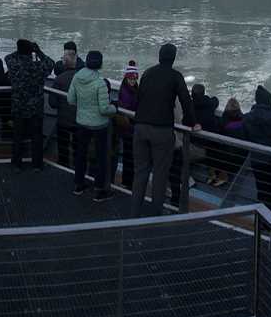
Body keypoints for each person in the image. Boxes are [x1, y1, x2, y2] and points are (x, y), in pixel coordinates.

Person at [130, 43, 192, 216]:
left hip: (140, 127)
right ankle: (156, 213)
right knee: (160, 173)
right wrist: (191, 122)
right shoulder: (175, 76)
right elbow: (186, 101)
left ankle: (134, 212)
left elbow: (139, 97)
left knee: (140, 172)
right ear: (173, 58)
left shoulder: (148, 73)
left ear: (159, 56)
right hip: (162, 131)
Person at [67, 50, 116, 200]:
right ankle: (100, 190)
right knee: (101, 157)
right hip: (99, 126)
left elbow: (70, 100)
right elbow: (104, 109)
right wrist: (114, 108)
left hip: (82, 123)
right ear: (100, 64)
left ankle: (78, 185)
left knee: (81, 154)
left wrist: (83, 107)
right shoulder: (100, 83)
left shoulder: (77, 77)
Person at [5, 39, 55, 169]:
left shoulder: (14, 64)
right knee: (36, 137)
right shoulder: (38, 67)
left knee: (17, 137)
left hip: (18, 106)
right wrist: (38, 51)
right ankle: (37, 164)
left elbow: (7, 57)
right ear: (31, 51)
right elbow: (51, 63)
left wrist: (20, 50)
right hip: (35, 108)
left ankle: (17, 163)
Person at [52, 42, 82, 166]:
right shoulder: (82, 76)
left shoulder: (59, 78)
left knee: (63, 144)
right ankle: (77, 166)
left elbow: (52, 102)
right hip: (79, 118)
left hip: (63, 118)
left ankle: (63, 165)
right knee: (78, 146)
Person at [115, 67, 140, 189]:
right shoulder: (126, 92)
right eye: (131, 78)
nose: (133, 80)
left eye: (135, 78)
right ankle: (127, 181)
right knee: (129, 156)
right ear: (126, 78)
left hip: (131, 128)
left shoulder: (130, 89)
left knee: (130, 156)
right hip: (129, 128)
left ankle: (128, 180)